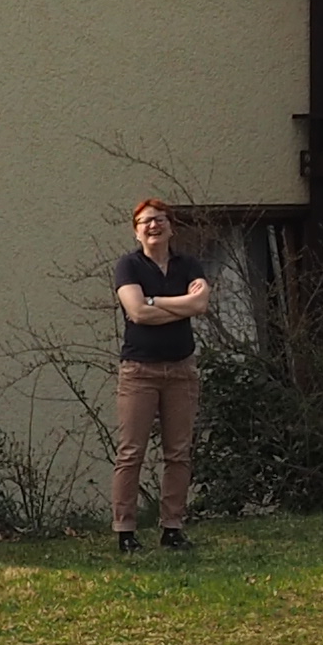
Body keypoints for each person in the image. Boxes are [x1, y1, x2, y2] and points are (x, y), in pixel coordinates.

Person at [112, 195, 208, 553]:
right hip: (139, 371)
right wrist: (175, 306)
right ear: (136, 232)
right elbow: (137, 312)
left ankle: (172, 528)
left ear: (171, 227)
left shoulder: (189, 264)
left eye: (160, 220)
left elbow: (200, 304)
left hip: (182, 370)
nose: (154, 226)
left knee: (179, 452)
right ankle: (125, 531)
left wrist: (155, 302)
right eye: (146, 222)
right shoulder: (129, 266)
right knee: (131, 452)